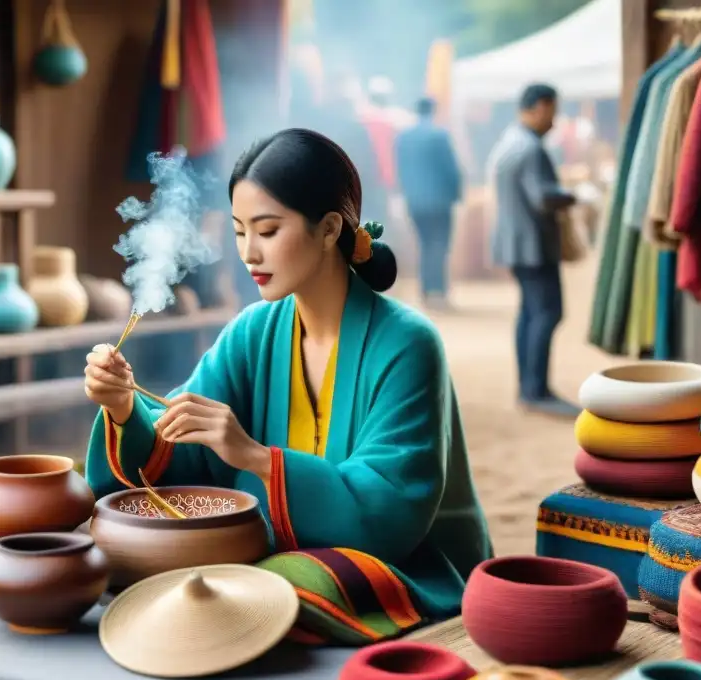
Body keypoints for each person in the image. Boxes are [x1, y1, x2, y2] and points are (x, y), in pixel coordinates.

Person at [83, 128, 491, 646]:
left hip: (388, 564)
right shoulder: (253, 331)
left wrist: (254, 457)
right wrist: (123, 408)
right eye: (238, 231)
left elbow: (391, 511)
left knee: (272, 588)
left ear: (328, 229)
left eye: (268, 230)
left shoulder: (407, 344)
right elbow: (180, 455)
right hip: (264, 550)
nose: (249, 253)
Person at [489, 83, 578, 417]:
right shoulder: (531, 149)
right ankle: (536, 390)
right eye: (553, 111)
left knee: (530, 313)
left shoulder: (510, 141)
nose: (554, 120)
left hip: (516, 244)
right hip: (534, 244)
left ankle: (529, 388)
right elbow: (543, 196)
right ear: (541, 106)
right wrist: (572, 195)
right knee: (547, 312)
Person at [394, 97, 462, 309]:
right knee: (439, 245)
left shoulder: (404, 137)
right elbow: (451, 169)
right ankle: (438, 292)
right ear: (433, 111)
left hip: (414, 201)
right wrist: (456, 194)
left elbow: (400, 169)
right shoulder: (439, 135)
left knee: (424, 244)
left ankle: (425, 290)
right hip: (439, 201)